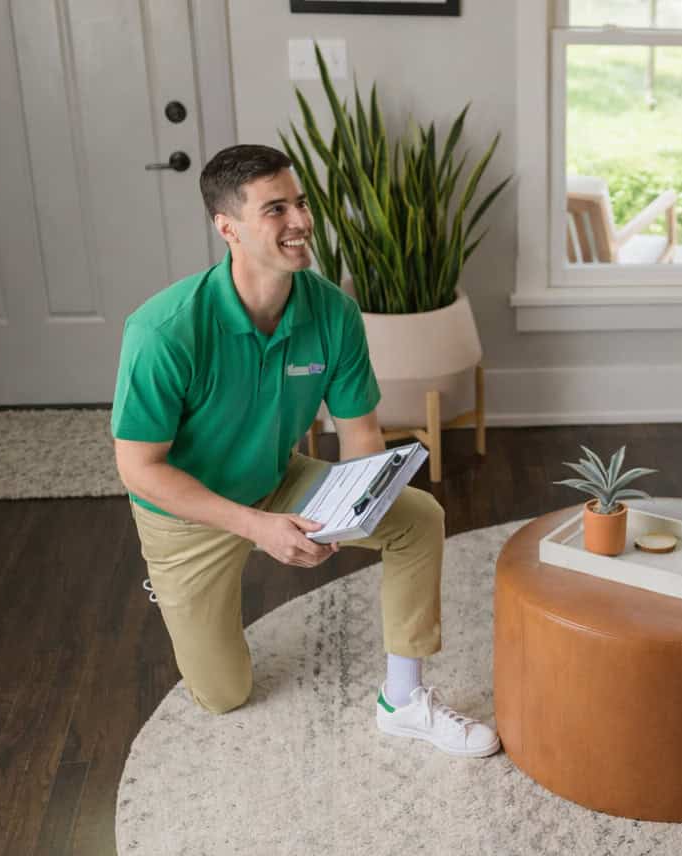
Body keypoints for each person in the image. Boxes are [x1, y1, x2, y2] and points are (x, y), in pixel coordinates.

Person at [111, 143, 498, 757]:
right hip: (187, 515)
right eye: (275, 209)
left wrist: (356, 510)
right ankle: (175, 584)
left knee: (418, 517)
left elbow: (361, 435)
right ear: (227, 227)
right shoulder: (164, 330)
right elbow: (138, 468)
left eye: (301, 202)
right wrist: (254, 527)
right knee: (223, 693)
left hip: (275, 476)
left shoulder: (332, 311)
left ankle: (402, 700)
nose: (300, 221)